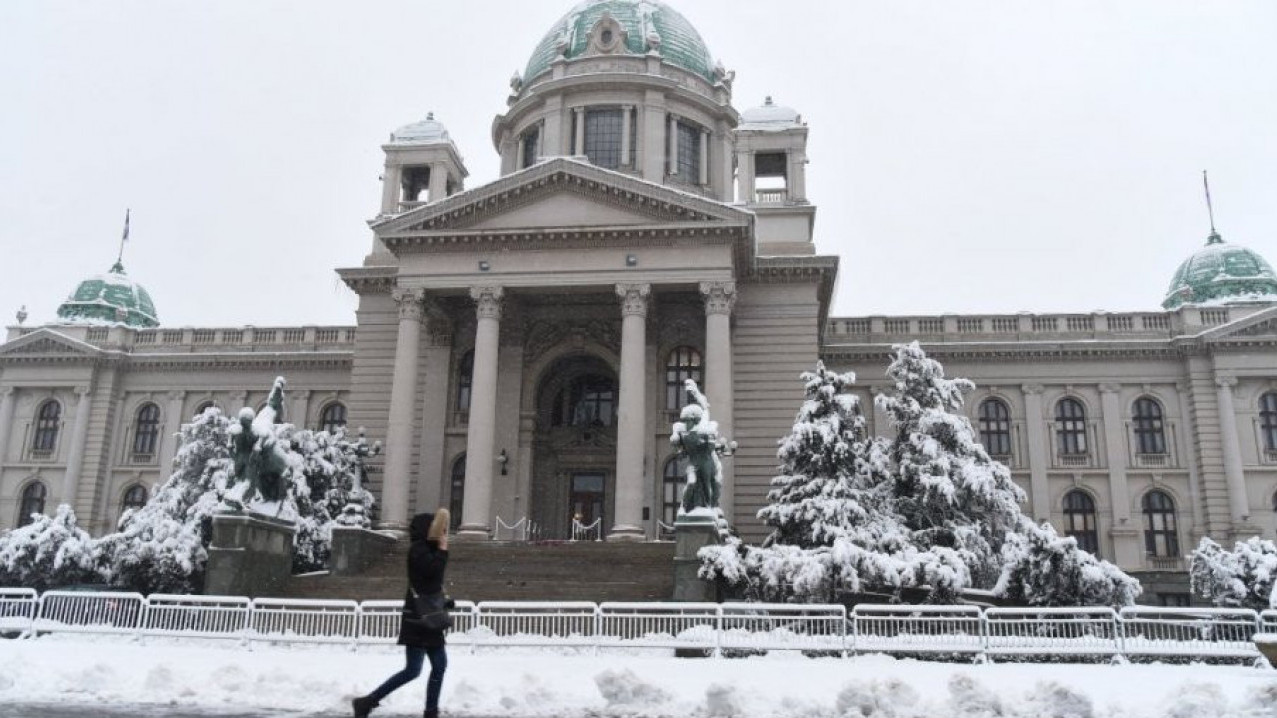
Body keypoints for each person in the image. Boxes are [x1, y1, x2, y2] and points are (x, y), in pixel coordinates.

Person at [353, 509, 451, 718]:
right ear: (427, 529)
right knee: (413, 670)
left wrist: (444, 601)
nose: (442, 531)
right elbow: (432, 574)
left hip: (428, 619)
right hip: (418, 621)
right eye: (437, 526)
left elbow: (431, 584)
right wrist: (443, 550)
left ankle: (431, 711)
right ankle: (368, 701)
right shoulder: (417, 549)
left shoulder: (427, 550)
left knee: (439, 665)